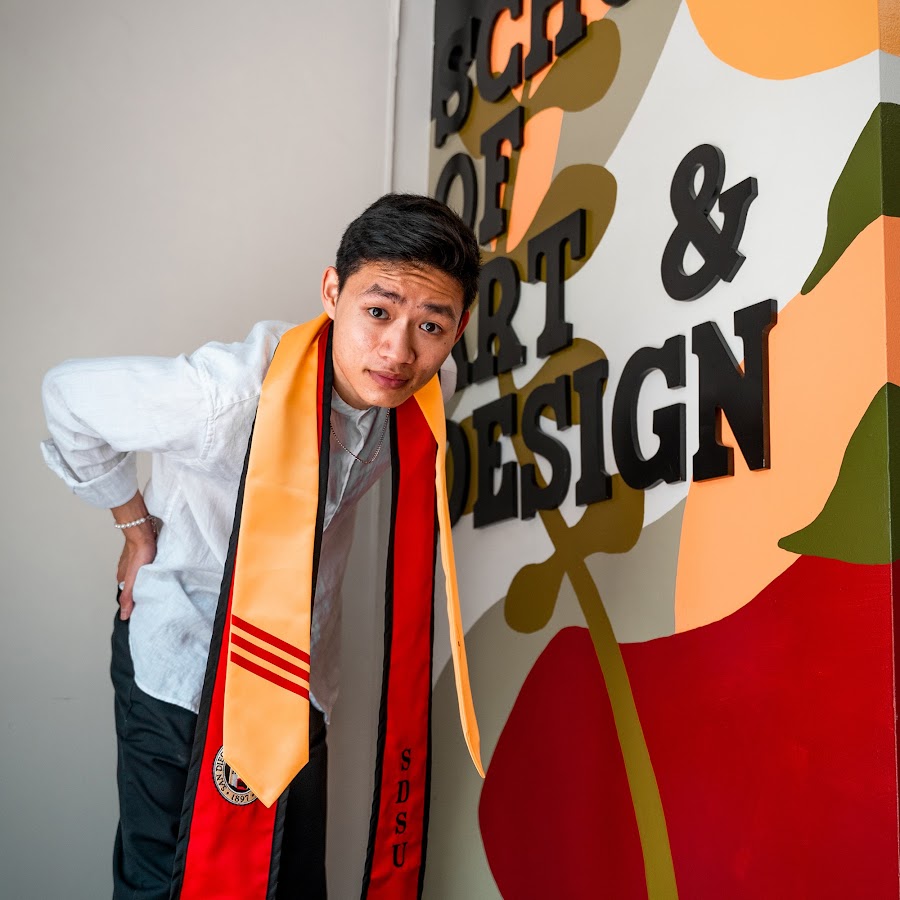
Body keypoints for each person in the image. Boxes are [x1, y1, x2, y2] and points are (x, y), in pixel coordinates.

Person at [40, 193, 483, 899]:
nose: (399, 351)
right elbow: (67, 396)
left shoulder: (425, 389)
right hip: (185, 663)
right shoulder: (228, 395)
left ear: (457, 327)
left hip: (300, 680)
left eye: (430, 326)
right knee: (168, 884)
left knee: (290, 882)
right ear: (332, 292)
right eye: (378, 311)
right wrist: (134, 527)